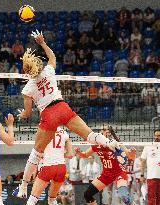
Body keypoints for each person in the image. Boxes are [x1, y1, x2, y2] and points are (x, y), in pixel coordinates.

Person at [16, 30, 120, 198]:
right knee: (90, 134)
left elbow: (28, 114)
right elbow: (52, 57)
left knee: (36, 152)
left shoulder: (27, 88)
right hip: (63, 107)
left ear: (26, 71)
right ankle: (108, 142)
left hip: (48, 114)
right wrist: (42, 43)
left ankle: (23, 187)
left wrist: (22, 115)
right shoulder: (48, 72)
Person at [75, 125, 136, 205]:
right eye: (102, 129)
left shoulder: (116, 143)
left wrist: (133, 152)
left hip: (119, 172)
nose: (103, 131)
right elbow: (85, 155)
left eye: (105, 130)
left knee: (124, 196)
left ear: (109, 133)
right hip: (106, 174)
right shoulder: (96, 144)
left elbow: (131, 156)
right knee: (87, 194)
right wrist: (79, 152)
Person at [13, 127, 73, 205]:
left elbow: (38, 152)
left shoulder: (43, 129)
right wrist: (58, 154)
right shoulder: (64, 133)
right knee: (52, 200)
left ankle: (23, 187)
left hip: (48, 166)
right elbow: (70, 155)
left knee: (32, 199)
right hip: (61, 168)